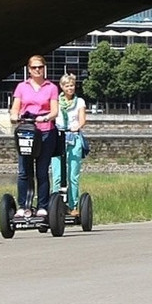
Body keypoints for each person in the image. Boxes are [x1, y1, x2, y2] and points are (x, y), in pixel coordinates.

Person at [8, 55, 58, 218]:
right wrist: (14, 115)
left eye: (40, 67)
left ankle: (43, 206)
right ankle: (23, 206)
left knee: (42, 171)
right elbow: (15, 108)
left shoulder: (51, 87)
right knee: (24, 171)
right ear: (29, 69)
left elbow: (54, 110)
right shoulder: (22, 87)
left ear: (44, 68)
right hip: (27, 131)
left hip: (45, 132)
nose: (37, 70)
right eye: (34, 67)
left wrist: (46, 117)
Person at [57, 73, 87, 217]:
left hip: (73, 138)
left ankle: (72, 205)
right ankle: (55, 204)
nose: (70, 88)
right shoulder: (55, 102)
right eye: (67, 85)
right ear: (62, 87)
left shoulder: (79, 101)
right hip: (58, 138)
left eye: (72, 85)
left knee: (72, 176)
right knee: (57, 175)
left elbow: (82, 120)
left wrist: (76, 127)